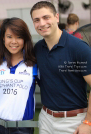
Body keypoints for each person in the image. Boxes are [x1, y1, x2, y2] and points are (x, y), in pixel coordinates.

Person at [30, 1, 91, 134]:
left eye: (46, 17)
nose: (42, 23)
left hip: (73, 121)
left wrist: (88, 121)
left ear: (56, 17)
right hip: (45, 118)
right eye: (36, 20)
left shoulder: (79, 48)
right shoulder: (38, 48)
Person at [0, 17, 38, 134]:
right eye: (9, 37)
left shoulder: (34, 63)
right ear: (3, 39)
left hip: (22, 128)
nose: (13, 41)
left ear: (25, 39)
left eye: (19, 37)